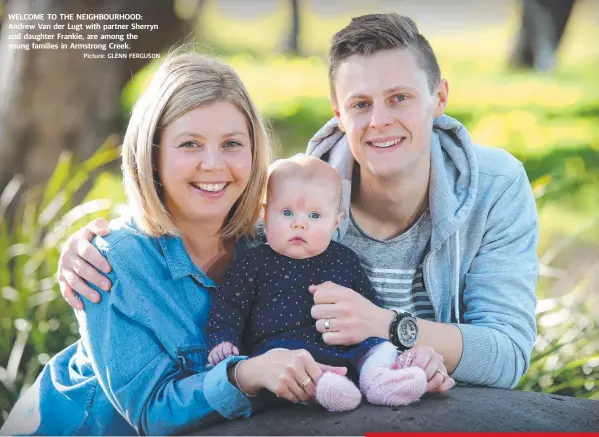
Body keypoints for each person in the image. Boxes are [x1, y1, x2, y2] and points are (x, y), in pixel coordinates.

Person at [60, 11, 536, 394]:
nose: (380, 121)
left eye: (399, 98)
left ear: (440, 97)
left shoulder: (493, 187)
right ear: (338, 113)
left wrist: (390, 329)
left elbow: (508, 355)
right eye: (360, 104)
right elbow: (197, 201)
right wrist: (98, 246)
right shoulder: (296, 194)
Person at [1, 52, 351, 436]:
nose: (214, 164)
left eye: (232, 143)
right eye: (190, 144)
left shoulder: (271, 244)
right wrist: (244, 374)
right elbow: (151, 413)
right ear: (152, 155)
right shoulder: (113, 262)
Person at [207, 156, 428, 412]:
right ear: (265, 214)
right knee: (297, 366)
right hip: (286, 352)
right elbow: (229, 307)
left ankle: (380, 378)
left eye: (314, 215)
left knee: (378, 348)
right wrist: (222, 339)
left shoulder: (344, 259)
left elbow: (370, 307)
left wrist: (379, 336)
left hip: (349, 348)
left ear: (335, 222)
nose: (299, 223)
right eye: (287, 212)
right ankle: (330, 387)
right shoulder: (253, 263)